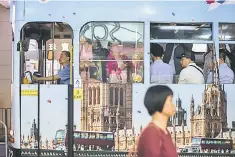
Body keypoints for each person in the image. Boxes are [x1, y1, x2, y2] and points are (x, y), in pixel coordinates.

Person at [137, 85, 177, 157]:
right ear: (160, 103)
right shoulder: (151, 132)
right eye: (170, 101)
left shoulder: (165, 132)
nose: (173, 105)